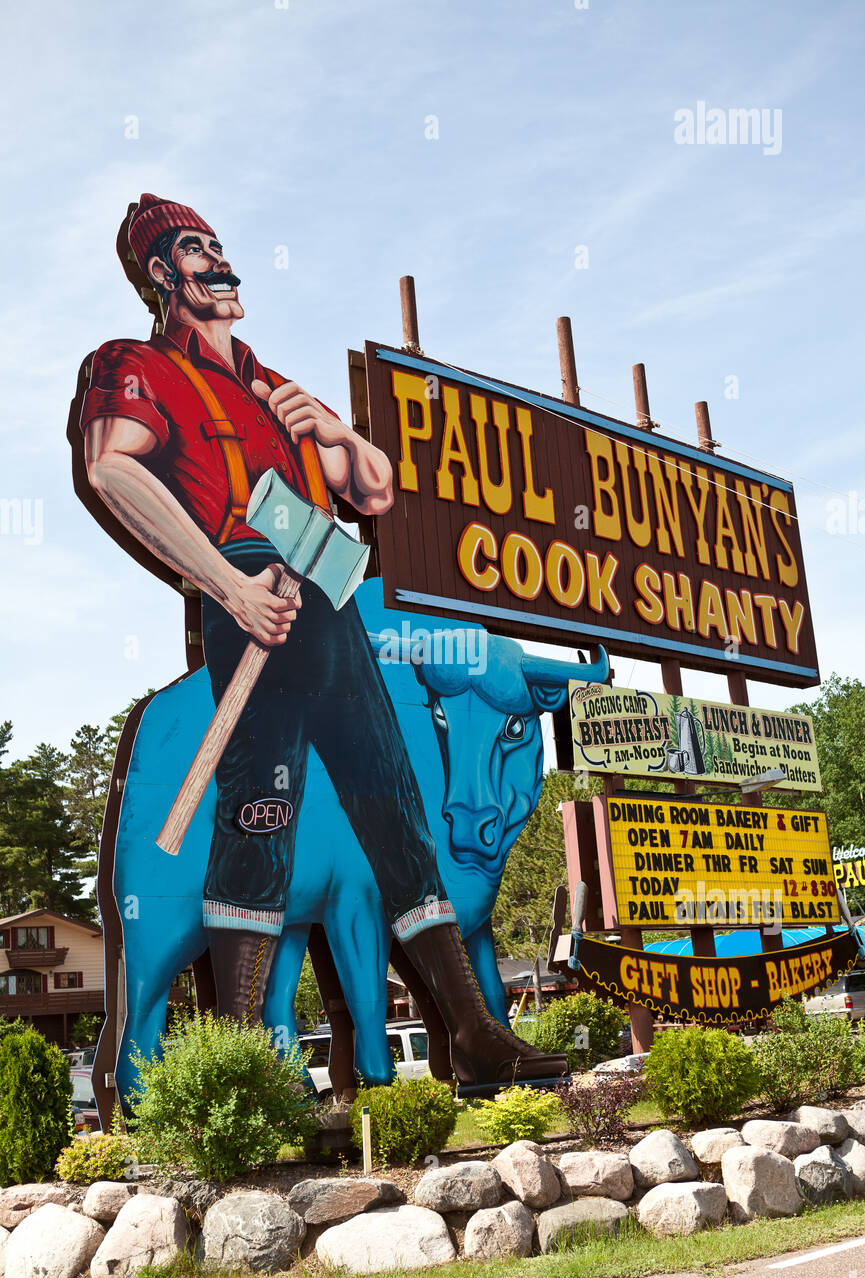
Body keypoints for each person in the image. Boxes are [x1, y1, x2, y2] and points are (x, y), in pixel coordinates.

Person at [79, 194, 566, 1088]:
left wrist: (335, 431)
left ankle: (474, 1035)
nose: (219, 262)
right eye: (196, 250)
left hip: (330, 595)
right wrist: (223, 585)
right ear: (160, 273)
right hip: (252, 591)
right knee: (258, 817)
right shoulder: (138, 365)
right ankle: (242, 1066)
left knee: (395, 810)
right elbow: (112, 465)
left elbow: (373, 491)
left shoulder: (272, 386)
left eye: (221, 246)